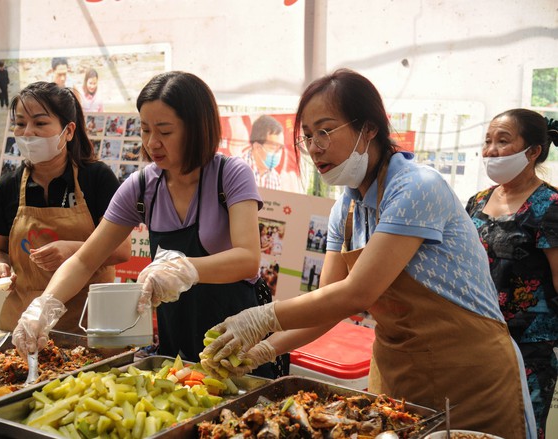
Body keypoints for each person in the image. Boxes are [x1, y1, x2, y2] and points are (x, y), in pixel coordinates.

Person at [201, 69, 536, 438]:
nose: (314, 146)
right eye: (308, 136)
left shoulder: (417, 187)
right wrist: (262, 350)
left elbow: (356, 293)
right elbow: (327, 304)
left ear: (369, 128)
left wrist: (261, 317)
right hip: (398, 374)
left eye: (325, 130)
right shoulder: (343, 209)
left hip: (470, 376)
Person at [10, 71, 285, 379]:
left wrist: (185, 269)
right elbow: (86, 259)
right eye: (144, 130)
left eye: (165, 131)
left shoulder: (230, 175)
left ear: (196, 129)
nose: (152, 143)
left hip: (236, 347)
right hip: (176, 352)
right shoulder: (141, 187)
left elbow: (248, 259)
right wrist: (44, 307)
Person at [0, 81, 131, 333]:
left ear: (69, 131)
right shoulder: (7, 185)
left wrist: (73, 250)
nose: (28, 132)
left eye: (40, 123)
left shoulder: (96, 178)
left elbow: (121, 250)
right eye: (20, 123)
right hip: (23, 324)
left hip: (87, 325)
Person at [466, 109, 558, 439]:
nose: (490, 150)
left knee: (519, 430)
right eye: (487, 140)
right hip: (479, 341)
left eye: (503, 141)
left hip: (529, 349)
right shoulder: (476, 202)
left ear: (533, 151)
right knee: (473, 429)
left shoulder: (550, 205)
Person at [242, 115, 286, 190]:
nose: (278, 153)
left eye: (280, 148)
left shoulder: (275, 179)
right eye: (273, 148)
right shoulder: (237, 171)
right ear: (257, 147)